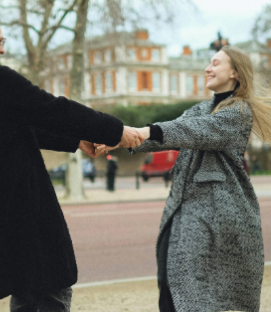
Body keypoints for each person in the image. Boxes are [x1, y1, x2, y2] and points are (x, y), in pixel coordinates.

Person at [0, 10, 144, 311]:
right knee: (52, 286)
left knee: (27, 290)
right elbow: (54, 109)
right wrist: (117, 129)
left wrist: (74, 141)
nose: (3, 48)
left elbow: (18, 126)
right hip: (22, 205)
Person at [97, 46, 271, 312]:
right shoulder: (201, 107)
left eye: (215, 63)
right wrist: (118, 141)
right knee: (169, 281)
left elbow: (192, 131)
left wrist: (142, 130)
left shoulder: (239, 111)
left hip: (218, 209)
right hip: (184, 205)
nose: (207, 68)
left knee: (193, 289)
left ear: (235, 72)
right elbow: (170, 132)